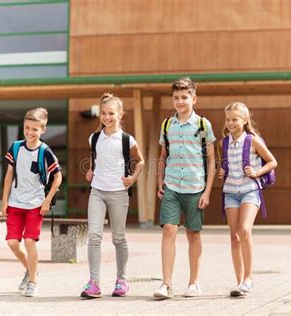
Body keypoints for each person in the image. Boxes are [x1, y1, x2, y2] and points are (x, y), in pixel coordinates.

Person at [153, 77, 216, 299]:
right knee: (169, 229)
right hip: (171, 185)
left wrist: (207, 192)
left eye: (184, 97)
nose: (180, 102)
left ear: (194, 98)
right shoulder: (167, 125)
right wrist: (160, 180)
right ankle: (166, 284)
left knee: (193, 234)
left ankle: (193, 283)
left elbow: (211, 161)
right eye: (176, 98)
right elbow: (162, 156)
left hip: (196, 187)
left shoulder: (203, 125)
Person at [80, 93, 145, 299]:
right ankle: (94, 282)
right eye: (104, 113)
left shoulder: (127, 139)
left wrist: (133, 178)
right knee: (94, 235)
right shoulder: (94, 137)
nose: (107, 117)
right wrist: (91, 171)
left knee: (118, 237)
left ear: (120, 114)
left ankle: (122, 280)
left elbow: (141, 161)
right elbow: (94, 158)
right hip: (97, 191)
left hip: (118, 193)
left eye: (111, 113)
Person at [1, 107, 62, 297]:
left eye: (35, 129)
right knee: (12, 242)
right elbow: (9, 174)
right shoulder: (16, 147)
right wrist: (4, 200)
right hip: (15, 202)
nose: (30, 132)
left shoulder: (45, 151)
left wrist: (47, 200)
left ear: (42, 130)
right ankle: (31, 269)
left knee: (29, 241)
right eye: (27, 127)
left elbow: (58, 177)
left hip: (35, 204)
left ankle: (33, 282)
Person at [218, 102, 277, 297]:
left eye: (235, 119)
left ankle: (249, 279)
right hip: (230, 192)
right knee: (234, 237)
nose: (230, 123)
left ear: (245, 120)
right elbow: (227, 167)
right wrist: (222, 172)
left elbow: (272, 161)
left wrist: (257, 172)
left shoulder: (253, 140)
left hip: (250, 190)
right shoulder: (224, 142)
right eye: (228, 119)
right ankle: (239, 282)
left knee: (244, 230)